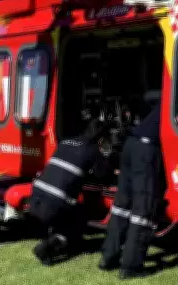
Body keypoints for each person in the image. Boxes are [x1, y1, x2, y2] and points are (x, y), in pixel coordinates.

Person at [28, 114, 120, 266]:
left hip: (34, 197)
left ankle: (62, 239)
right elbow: (104, 176)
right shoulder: (92, 150)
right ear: (101, 139)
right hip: (54, 204)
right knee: (80, 217)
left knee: (68, 211)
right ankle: (49, 247)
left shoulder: (65, 142)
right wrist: (112, 166)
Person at [99, 102, 163, 279]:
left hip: (131, 145)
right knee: (143, 209)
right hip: (146, 149)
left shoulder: (163, 104)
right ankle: (130, 266)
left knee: (122, 206)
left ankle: (108, 256)